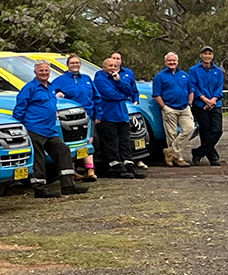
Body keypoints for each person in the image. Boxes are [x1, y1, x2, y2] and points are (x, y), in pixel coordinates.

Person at [15, 60, 90, 198]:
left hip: (50, 130)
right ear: (35, 72)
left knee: (63, 150)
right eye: (41, 71)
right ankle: (39, 189)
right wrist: (22, 129)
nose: (44, 73)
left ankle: (68, 185)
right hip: (35, 129)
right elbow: (19, 109)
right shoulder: (29, 88)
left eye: (46, 71)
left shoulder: (51, 87)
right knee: (39, 158)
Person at [50, 54, 101, 181]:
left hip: (87, 116)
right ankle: (73, 171)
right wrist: (57, 94)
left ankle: (90, 169)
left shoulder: (87, 79)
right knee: (71, 144)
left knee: (88, 142)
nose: (75, 65)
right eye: (72, 63)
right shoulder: (59, 81)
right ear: (67, 65)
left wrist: (98, 114)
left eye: (77, 63)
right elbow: (51, 95)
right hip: (69, 119)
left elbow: (97, 97)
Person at [95, 56, 146, 179]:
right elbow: (109, 94)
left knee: (125, 142)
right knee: (112, 143)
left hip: (122, 115)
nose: (113, 68)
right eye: (110, 66)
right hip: (108, 115)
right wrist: (124, 96)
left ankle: (128, 165)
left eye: (115, 66)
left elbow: (131, 91)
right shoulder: (99, 79)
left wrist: (119, 81)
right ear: (104, 67)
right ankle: (117, 167)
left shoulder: (119, 77)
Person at [152, 52, 196, 167]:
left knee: (189, 129)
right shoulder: (160, 77)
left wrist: (189, 104)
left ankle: (170, 152)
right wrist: (165, 108)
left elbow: (191, 90)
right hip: (169, 108)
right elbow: (156, 94)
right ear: (165, 62)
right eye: (169, 61)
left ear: (177, 61)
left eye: (174, 61)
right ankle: (178, 158)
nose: (172, 63)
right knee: (171, 134)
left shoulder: (184, 75)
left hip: (184, 108)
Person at [189, 46, 225, 166]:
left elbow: (219, 88)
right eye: (205, 54)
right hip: (200, 104)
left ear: (212, 56)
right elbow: (193, 87)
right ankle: (213, 157)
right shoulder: (194, 70)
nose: (207, 56)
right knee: (205, 132)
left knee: (217, 130)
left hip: (215, 103)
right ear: (201, 55)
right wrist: (205, 101)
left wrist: (213, 100)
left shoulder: (218, 71)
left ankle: (198, 152)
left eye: (210, 54)